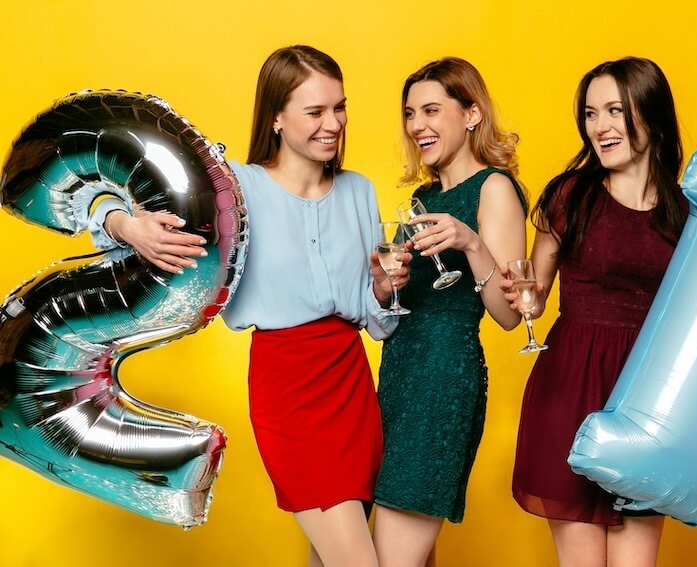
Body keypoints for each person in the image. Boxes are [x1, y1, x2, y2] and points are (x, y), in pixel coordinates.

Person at [86, 45, 409, 567]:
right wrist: (126, 225)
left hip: (352, 383)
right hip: (289, 389)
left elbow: (376, 322)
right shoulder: (234, 190)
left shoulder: (359, 191)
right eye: (315, 111)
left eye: (339, 107)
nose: (333, 124)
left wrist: (383, 290)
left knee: (331, 556)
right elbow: (108, 205)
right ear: (276, 118)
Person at [506, 56, 697, 567]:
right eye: (590, 114)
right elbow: (533, 294)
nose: (599, 126)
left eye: (614, 110)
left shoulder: (695, 210)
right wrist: (525, 296)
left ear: (651, 115)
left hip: (655, 401)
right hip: (572, 387)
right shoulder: (570, 195)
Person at [372, 57, 528, 567]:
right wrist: (383, 285)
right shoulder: (422, 198)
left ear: (472, 114)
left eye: (431, 110)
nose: (417, 125)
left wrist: (471, 242)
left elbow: (508, 315)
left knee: (392, 552)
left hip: (442, 378)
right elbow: (400, 304)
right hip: (398, 375)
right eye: (410, 113)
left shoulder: (494, 187)